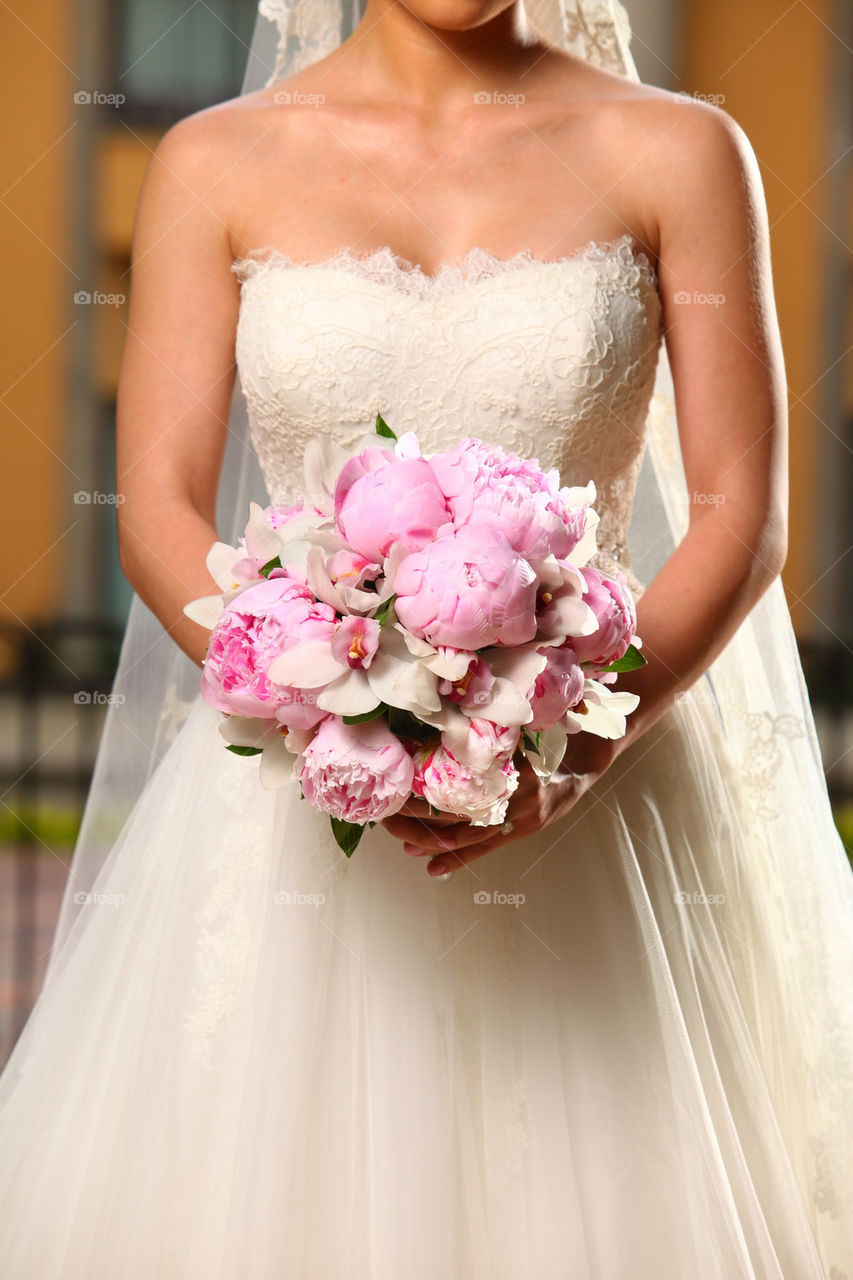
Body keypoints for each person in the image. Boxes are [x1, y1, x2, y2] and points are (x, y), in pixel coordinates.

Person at [0, 2, 851, 1275]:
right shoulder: (213, 161)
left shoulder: (681, 150)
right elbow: (160, 515)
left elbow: (743, 514)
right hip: (297, 800)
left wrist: (568, 745)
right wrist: (322, 700)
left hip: (597, 784)